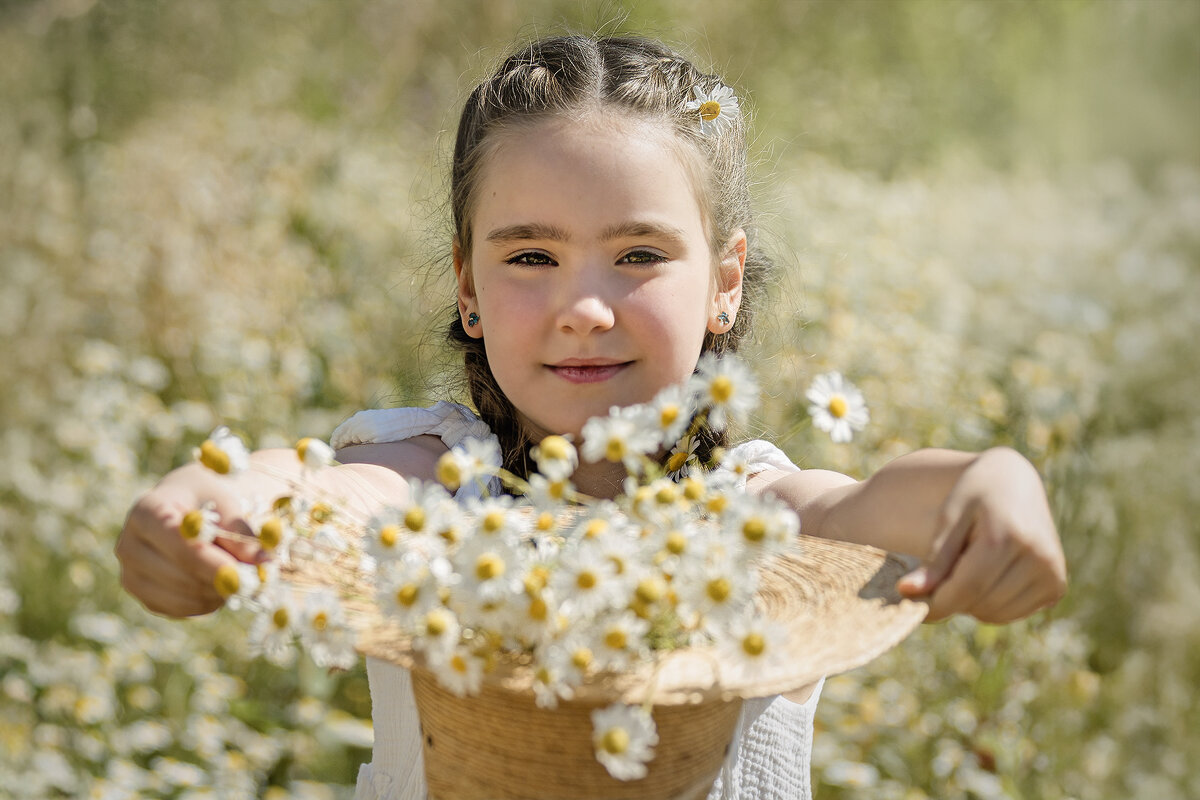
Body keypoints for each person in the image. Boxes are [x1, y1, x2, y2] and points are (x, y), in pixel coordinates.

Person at [116, 35, 1067, 800]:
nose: (585, 308)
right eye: (531, 257)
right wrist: (211, 499)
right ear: (468, 283)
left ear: (723, 284)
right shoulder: (437, 483)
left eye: (639, 254)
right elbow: (313, 487)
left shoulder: (750, 512)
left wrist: (995, 485)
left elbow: (875, 505)